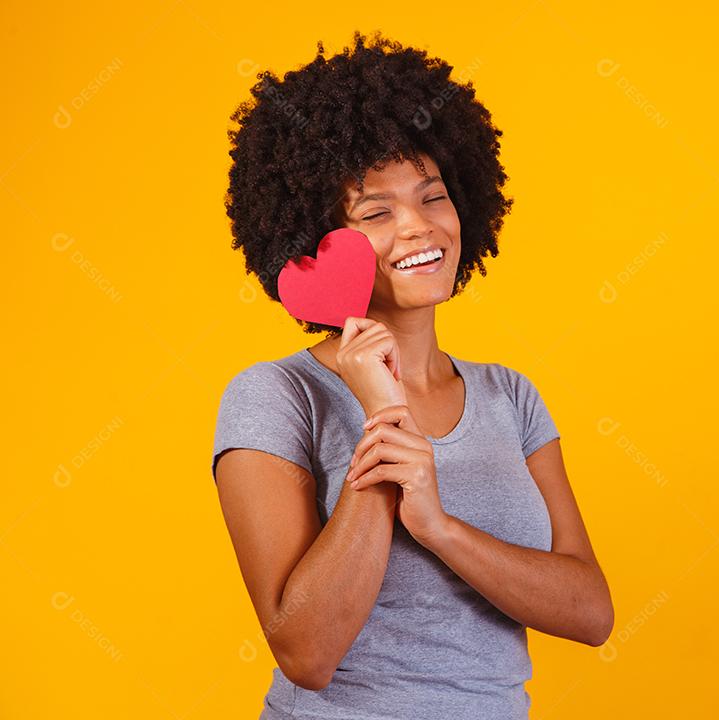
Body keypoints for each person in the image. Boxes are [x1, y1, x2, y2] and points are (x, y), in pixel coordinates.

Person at [212, 30, 613, 718]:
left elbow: (590, 611)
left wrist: (440, 527)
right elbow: (306, 652)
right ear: (315, 243)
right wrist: (384, 417)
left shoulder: (510, 397)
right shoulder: (277, 398)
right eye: (376, 212)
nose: (419, 228)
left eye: (432, 197)